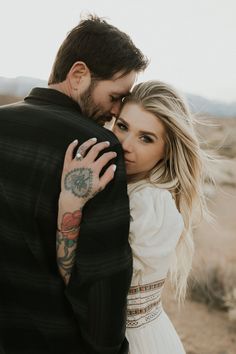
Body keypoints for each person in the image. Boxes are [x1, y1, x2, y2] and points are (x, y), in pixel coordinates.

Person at [0, 15, 148, 354]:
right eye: (115, 97)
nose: (114, 114)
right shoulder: (97, 148)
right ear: (79, 75)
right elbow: (100, 278)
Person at [57, 80, 212, 353]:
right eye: (122, 126)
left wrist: (70, 201)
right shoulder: (127, 188)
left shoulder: (147, 203)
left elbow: (86, 282)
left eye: (146, 138)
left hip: (128, 341)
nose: (124, 144)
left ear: (167, 150)